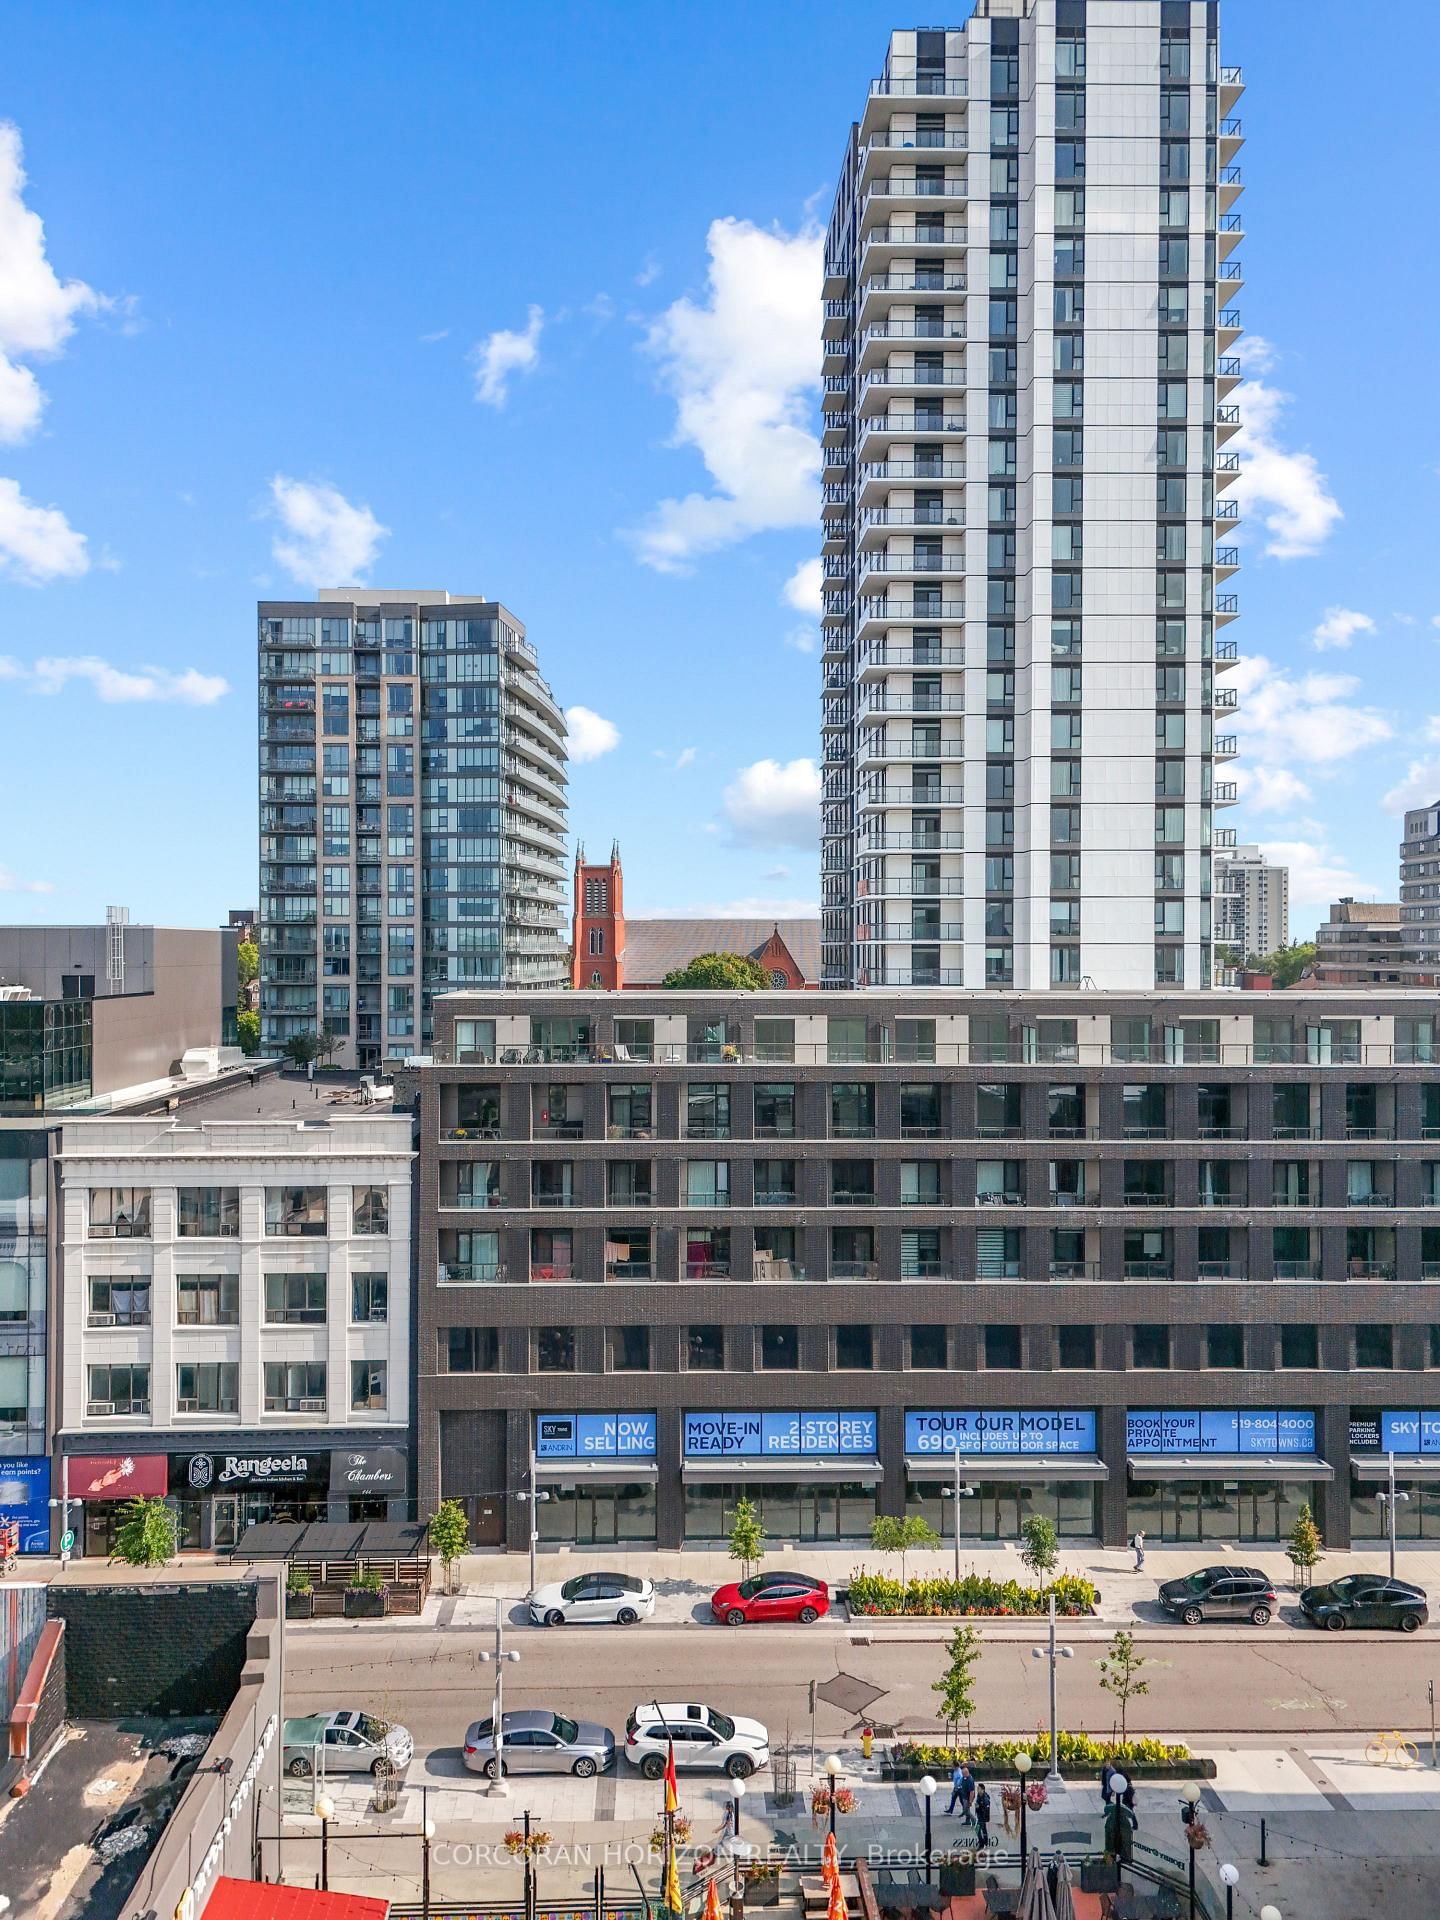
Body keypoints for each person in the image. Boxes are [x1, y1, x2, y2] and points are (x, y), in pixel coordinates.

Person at [974, 1780, 991, 1852]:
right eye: (977, 1789)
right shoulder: (979, 1795)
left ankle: (982, 1843)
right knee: (983, 1830)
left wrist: (978, 1807)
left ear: (983, 1790)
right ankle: (985, 1842)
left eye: (979, 1789)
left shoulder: (985, 1799)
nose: (977, 1790)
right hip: (979, 1816)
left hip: (982, 1817)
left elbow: (986, 1809)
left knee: (978, 1829)